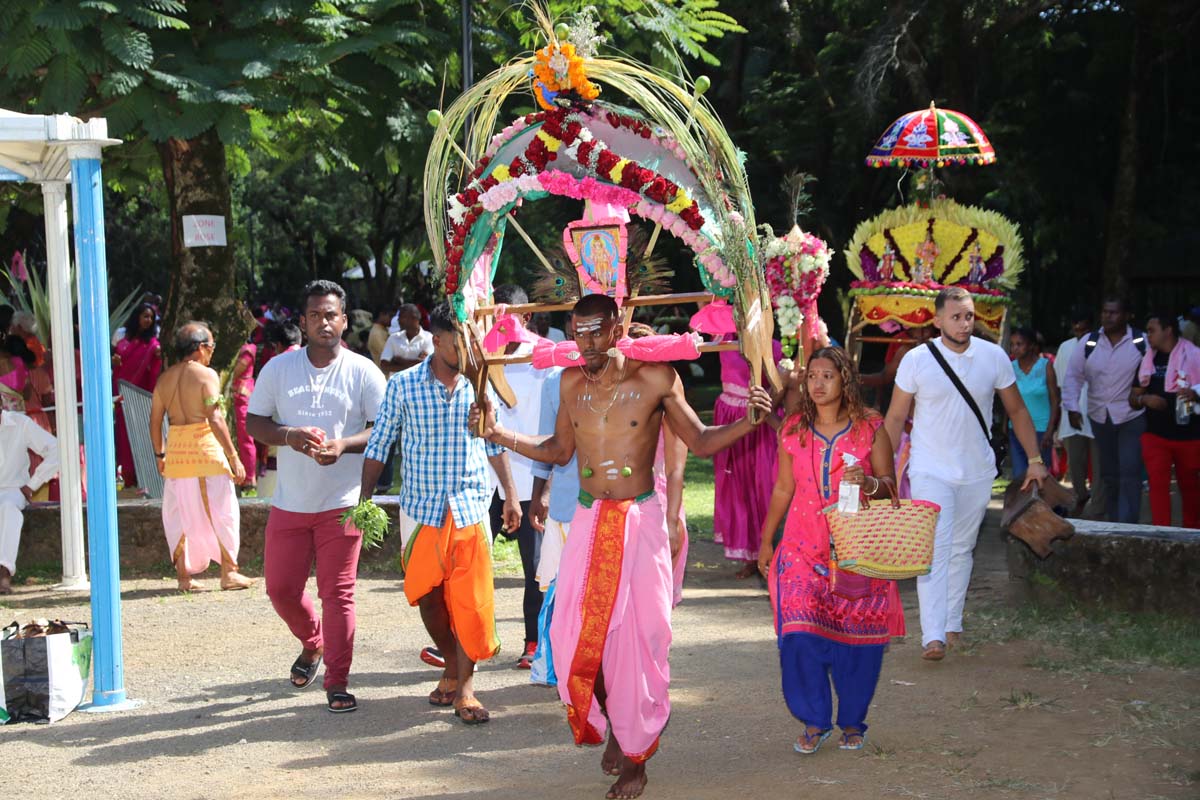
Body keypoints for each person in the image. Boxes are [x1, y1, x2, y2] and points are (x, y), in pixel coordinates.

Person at [473, 293, 773, 800]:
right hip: (591, 520)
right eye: (577, 331)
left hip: (641, 520)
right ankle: (616, 723)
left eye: (595, 331)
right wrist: (499, 433)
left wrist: (749, 422)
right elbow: (558, 451)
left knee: (639, 643)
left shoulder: (655, 379)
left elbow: (699, 442)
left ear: (617, 330)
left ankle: (636, 756)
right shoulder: (569, 382)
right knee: (574, 641)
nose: (585, 342)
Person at [359, 301, 520, 724]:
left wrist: (513, 496)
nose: (467, 348)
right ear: (437, 339)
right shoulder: (403, 385)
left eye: (471, 339)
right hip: (420, 509)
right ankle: (451, 660)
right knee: (427, 597)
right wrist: (363, 501)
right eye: (459, 340)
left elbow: (494, 445)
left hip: (470, 506)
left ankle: (466, 687)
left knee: (469, 600)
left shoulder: (479, 386)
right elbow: (380, 446)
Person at [884, 287, 1048, 662]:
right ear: (937, 320)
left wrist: (1036, 458)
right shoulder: (916, 360)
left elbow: (1018, 412)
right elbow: (895, 417)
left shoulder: (992, 357)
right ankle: (933, 635)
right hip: (928, 469)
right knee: (936, 549)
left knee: (961, 548)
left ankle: (953, 623)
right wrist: (885, 468)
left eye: (969, 316)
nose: (964, 323)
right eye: (956, 317)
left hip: (977, 471)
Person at [246, 280, 386, 713]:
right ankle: (313, 642)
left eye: (331, 314)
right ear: (302, 323)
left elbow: (383, 429)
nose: (324, 322)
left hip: (341, 503)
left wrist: (343, 445)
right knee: (280, 590)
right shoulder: (278, 369)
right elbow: (254, 422)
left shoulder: (363, 371)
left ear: (344, 320)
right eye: (315, 315)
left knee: (337, 594)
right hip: (290, 502)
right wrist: (289, 435)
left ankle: (337, 682)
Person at [756, 347, 903, 754]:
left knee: (858, 638)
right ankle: (815, 720)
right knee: (799, 637)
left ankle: (853, 720)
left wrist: (869, 483)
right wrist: (768, 539)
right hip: (801, 548)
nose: (817, 384)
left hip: (856, 551)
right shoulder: (794, 428)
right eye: (812, 376)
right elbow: (784, 488)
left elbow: (890, 486)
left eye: (827, 376)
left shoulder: (870, 428)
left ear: (845, 382)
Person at [150, 323, 253, 591]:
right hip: (207, 453)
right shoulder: (207, 375)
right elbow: (215, 416)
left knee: (179, 515)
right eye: (211, 347)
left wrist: (160, 454)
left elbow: (154, 421)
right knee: (223, 512)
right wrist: (234, 456)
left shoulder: (165, 379)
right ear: (200, 348)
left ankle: (184, 578)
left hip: (176, 455)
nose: (212, 353)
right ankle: (229, 573)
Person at [487, 285, 547, 669]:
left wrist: (548, 483)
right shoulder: (479, 355)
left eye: (508, 315)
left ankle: (533, 642)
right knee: (471, 562)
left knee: (535, 568)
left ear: (526, 317)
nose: (500, 323)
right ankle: (466, 640)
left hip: (531, 478)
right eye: (493, 315)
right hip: (484, 479)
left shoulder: (546, 357)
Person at [1063, 297, 1146, 523]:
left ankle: (1129, 525)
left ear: (1127, 315)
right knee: (1109, 473)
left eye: (1114, 313)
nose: (1108, 317)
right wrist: (1071, 407)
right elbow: (1073, 376)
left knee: (1130, 470)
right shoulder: (1088, 343)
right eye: (1105, 312)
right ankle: (1114, 518)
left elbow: (1152, 373)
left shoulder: (1141, 341)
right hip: (1100, 415)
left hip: (1131, 416)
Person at [712, 337, 783, 577]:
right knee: (737, 485)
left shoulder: (775, 346)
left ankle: (770, 550)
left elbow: (779, 387)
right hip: (729, 416)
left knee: (763, 484)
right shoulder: (723, 338)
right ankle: (750, 554)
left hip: (760, 418)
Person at [1130, 312, 1200, 528]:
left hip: (1190, 435)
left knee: (1191, 488)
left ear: (1168, 330)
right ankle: (1161, 534)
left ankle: (1192, 537)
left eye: (1152, 330)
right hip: (1155, 435)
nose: (1147, 335)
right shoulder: (1147, 360)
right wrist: (1144, 399)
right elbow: (1132, 397)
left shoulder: (1195, 355)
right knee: (1157, 486)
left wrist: (1195, 393)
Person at [0, 406, 59, 594]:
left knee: (9, 509)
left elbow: (56, 449)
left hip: (12, 488)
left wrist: (32, 484)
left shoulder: (20, 424)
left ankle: (3, 573)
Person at [1054, 310, 1104, 516]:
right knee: (1075, 463)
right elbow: (1060, 384)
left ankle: (1099, 508)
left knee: (1100, 465)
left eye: (1083, 329)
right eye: (1076, 330)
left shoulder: (1103, 345)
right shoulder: (1065, 347)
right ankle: (1081, 495)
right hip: (1071, 413)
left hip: (1097, 412)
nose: (1079, 334)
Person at [113, 302, 163, 489]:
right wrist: (115, 361)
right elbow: (118, 363)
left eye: (150, 317)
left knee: (140, 436)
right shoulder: (123, 338)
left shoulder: (152, 345)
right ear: (137, 317)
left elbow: (154, 369)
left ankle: (143, 477)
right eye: (145, 316)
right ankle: (128, 477)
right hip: (122, 397)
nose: (148, 320)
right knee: (124, 437)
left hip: (140, 398)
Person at [1007, 327, 1060, 477]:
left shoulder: (1045, 366)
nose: (1015, 348)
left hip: (1041, 429)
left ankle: (1042, 502)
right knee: (1019, 475)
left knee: (1041, 476)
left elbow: (1055, 399)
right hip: (1016, 429)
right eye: (1012, 344)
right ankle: (1024, 502)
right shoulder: (1010, 368)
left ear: (1030, 345)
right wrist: (1005, 426)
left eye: (1019, 344)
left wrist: (1050, 430)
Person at [229, 341, 258, 494]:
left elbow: (237, 370)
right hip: (235, 395)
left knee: (245, 437)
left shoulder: (249, 348)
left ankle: (250, 477)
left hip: (242, 395)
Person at [381, 303, 434, 374]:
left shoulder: (428, 338)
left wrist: (401, 361)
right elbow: (384, 366)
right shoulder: (393, 338)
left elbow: (428, 364)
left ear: (413, 318)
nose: (398, 320)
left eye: (401, 317)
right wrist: (416, 362)